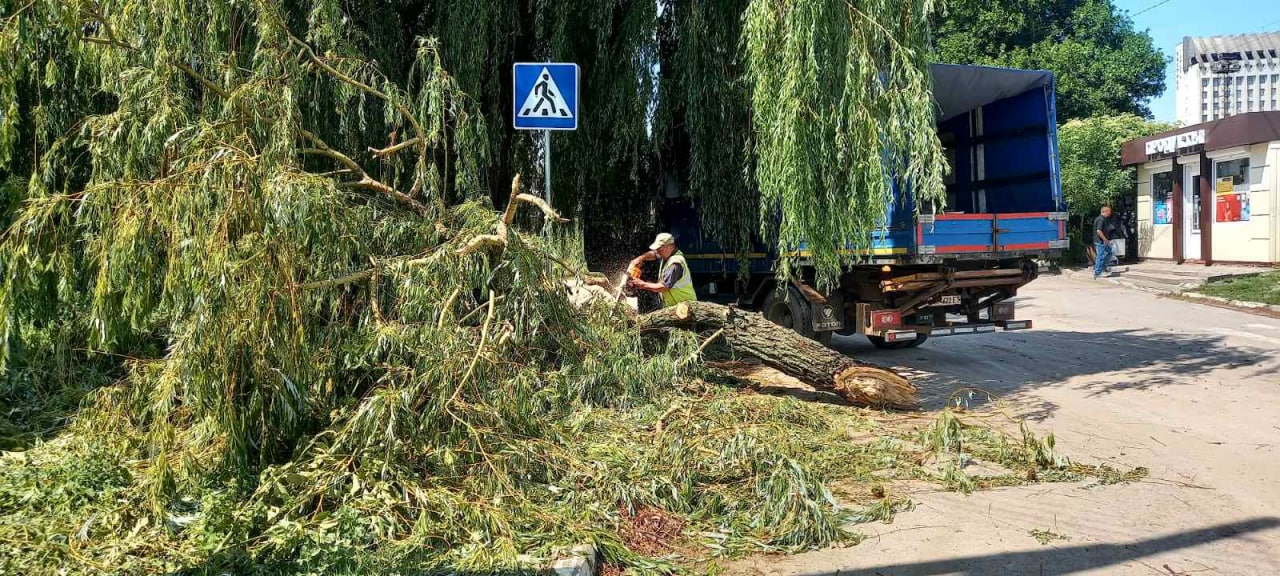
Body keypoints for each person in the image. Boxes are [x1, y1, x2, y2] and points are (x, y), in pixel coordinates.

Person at [627, 233, 697, 307]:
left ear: (670, 246)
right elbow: (654, 254)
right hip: (674, 306)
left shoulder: (675, 264)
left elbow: (664, 287)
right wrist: (640, 258)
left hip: (684, 306)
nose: (658, 252)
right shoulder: (668, 254)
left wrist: (643, 284)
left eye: (660, 249)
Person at [1093, 206, 1121, 279]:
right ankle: (1097, 273)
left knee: (1111, 252)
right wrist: (1105, 239)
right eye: (1109, 211)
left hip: (1104, 241)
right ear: (1105, 211)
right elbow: (1098, 231)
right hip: (1101, 241)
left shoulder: (1103, 219)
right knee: (1100, 256)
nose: (1110, 213)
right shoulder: (1100, 219)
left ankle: (1102, 267)